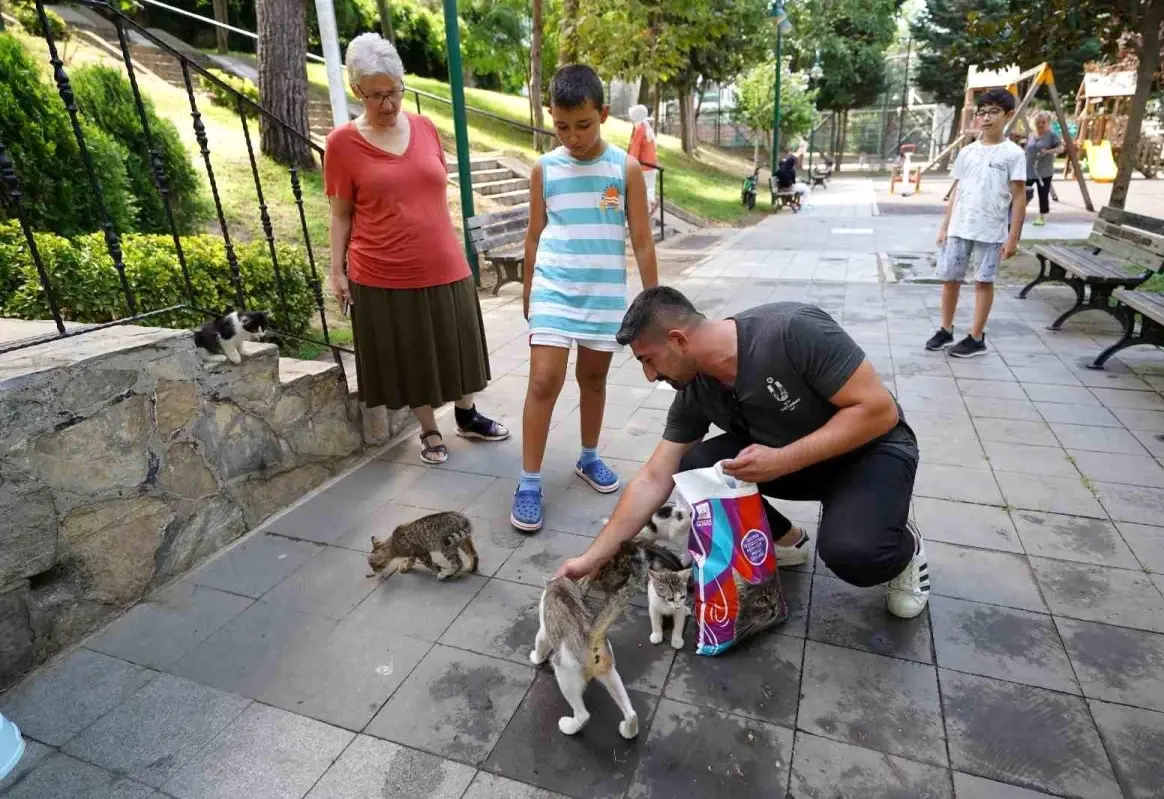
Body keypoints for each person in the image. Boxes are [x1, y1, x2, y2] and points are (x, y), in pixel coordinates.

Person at [555, 287, 929, 619]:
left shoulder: (791, 330)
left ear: (678, 340)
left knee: (854, 554)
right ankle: (788, 541)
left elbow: (880, 411)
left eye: (648, 360)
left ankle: (902, 547)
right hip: (798, 459)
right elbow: (654, 477)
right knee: (697, 464)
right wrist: (593, 558)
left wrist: (783, 460)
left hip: (871, 452)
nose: (650, 377)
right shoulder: (696, 389)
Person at [324, 33, 509, 465]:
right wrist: (337, 271)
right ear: (357, 91)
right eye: (376, 96)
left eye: (394, 92)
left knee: (454, 346)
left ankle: (467, 415)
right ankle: (428, 429)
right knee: (413, 354)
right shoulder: (342, 145)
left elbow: (433, 188)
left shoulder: (425, 128)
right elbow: (340, 215)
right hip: (382, 269)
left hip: (443, 259)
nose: (388, 105)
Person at [512, 65, 659, 532]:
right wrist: (529, 289)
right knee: (544, 380)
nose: (572, 137)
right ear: (550, 117)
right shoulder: (545, 169)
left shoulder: (624, 168)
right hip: (556, 286)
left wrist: (653, 304)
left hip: (603, 293)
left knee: (593, 379)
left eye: (583, 125)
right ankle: (529, 481)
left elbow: (641, 239)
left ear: (603, 114)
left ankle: (589, 457)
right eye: (561, 126)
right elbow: (534, 235)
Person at [925, 88, 1027, 359]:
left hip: (991, 229)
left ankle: (976, 336)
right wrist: (945, 226)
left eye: (994, 112)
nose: (986, 118)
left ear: (1008, 115)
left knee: (983, 281)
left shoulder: (1013, 154)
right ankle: (946, 329)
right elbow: (956, 190)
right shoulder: (967, 152)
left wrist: (1013, 236)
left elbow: (1019, 198)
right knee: (950, 279)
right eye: (982, 112)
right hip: (960, 226)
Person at [1024, 111, 1064, 227]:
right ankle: (1019, 212)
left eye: (1043, 122)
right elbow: (1028, 150)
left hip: (1044, 172)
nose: (1040, 124)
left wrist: (1049, 151)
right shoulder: (1031, 135)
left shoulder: (1052, 136)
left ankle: (1041, 216)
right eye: (1038, 122)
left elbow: (1061, 148)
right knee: (1022, 192)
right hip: (1029, 170)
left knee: (1043, 194)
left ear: (1048, 123)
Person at [627, 104, 659, 214]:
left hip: (644, 165)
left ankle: (644, 212)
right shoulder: (647, 127)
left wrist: (629, 162)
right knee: (649, 188)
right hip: (652, 164)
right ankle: (650, 205)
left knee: (640, 189)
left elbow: (635, 148)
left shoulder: (639, 128)